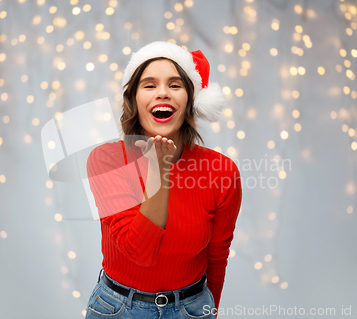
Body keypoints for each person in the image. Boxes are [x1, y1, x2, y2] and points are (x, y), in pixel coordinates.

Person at [85, 41, 242, 319]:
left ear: (191, 99)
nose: (162, 94)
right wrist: (160, 170)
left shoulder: (221, 171)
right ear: (133, 100)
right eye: (149, 85)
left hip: (192, 309)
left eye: (175, 85)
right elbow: (140, 252)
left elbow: (217, 257)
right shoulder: (106, 161)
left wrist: (209, 312)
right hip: (118, 309)